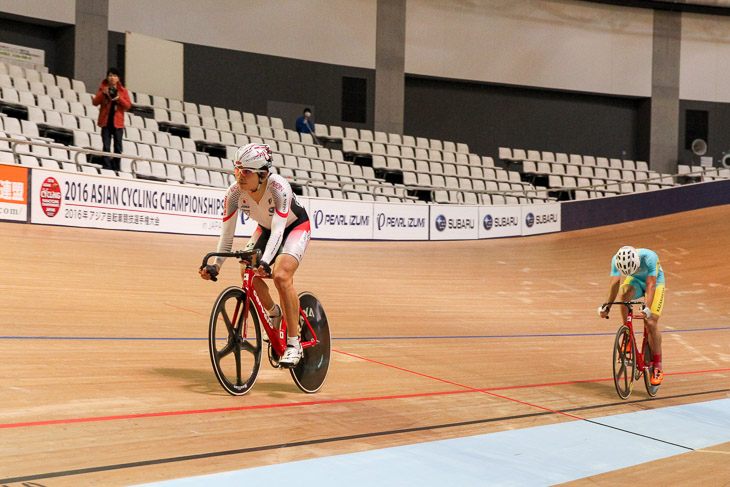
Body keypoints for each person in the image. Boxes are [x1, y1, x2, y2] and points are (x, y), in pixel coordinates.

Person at [199, 143, 311, 366]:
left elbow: (280, 231)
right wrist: (217, 266)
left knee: (280, 276)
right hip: (266, 228)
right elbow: (227, 236)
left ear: (263, 174)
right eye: (237, 169)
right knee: (246, 269)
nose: (240, 176)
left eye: (247, 171)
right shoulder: (233, 194)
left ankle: (293, 343)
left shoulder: (279, 187)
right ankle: (274, 312)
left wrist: (267, 262)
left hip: (294, 226)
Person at [599, 246, 666, 385]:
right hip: (635, 281)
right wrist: (607, 307)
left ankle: (658, 366)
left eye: (634, 269)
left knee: (651, 323)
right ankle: (627, 335)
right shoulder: (615, 260)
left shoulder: (650, 257)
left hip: (656, 283)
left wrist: (647, 307)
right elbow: (615, 284)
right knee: (623, 294)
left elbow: (651, 285)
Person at [92, 67, 131, 171]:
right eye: (110, 76)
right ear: (107, 77)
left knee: (118, 147)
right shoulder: (103, 88)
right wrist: (103, 93)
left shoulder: (123, 91)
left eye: (114, 76)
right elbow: (95, 102)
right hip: (106, 122)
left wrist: (119, 99)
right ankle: (107, 167)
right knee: (106, 146)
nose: (112, 78)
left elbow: (127, 105)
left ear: (118, 78)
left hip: (118, 123)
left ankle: (116, 167)